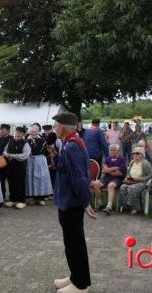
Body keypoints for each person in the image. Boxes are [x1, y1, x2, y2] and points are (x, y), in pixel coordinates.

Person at [51, 112, 96, 293]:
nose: (54, 128)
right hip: (67, 201)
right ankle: (75, 277)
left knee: (75, 244)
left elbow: (78, 178)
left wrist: (86, 202)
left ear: (62, 127)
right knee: (71, 243)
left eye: (55, 125)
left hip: (72, 203)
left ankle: (80, 284)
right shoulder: (71, 143)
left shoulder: (71, 147)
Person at [90, 144, 126, 214]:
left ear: (118, 151)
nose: (111, 151)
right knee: (94, 184)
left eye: (113, 150)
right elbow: (103, 170)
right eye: (111, 150)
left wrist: (108, 169)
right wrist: (115, 168)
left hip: (117, 179)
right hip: (106, 178)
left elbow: (119, 173)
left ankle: (109, 207)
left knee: (111, 185)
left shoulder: (122, 159)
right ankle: (100, 204)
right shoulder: (107, 159)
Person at [118, 147, 152, 215]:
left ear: (142, 155)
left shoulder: (145, 163)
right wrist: (127, 178)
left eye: (137, 153)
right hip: (131, 181)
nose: (135, 155)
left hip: (142, 182)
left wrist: (139, 179)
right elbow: (128, 172)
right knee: (123, 187)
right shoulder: (132, 162)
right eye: (133, 153)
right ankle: (126, 204)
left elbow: (151, 176)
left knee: (132, 188)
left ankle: (135, 207)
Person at [3, 126, 31, 209]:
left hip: (20, 167)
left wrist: (14, 156)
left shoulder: (25, 143)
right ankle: (12, 200)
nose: (17, 134)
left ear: (23, 134)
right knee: (11, 182)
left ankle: (21, 201)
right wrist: (6, 155)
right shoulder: (10, 141)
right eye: (16, 132)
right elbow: (4, 150)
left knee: (20, 183)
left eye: (19, 133)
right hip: (10, 166)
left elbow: (26, 155)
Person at [26, 125, 53, 205]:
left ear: (38, 132)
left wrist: (48, 149)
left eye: (35, 131)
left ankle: (41, 197)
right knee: (31, 179)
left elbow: (47, 152)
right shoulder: (27, 140)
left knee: (41, 178)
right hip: (30, 161)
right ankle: (34, 197)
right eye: (32, 131)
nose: (33, 132)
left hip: (40, 161)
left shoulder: (43, 140)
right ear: (30, 131)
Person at [0, 123, 13, 200]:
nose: (1, 131)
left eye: (2, 130)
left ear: (8, 131)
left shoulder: (12, 139)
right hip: (1, 163)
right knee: (1, 180)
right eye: (0, 130)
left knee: (11, 180)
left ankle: (12, 196)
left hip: (10, 163)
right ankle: (2, 195)